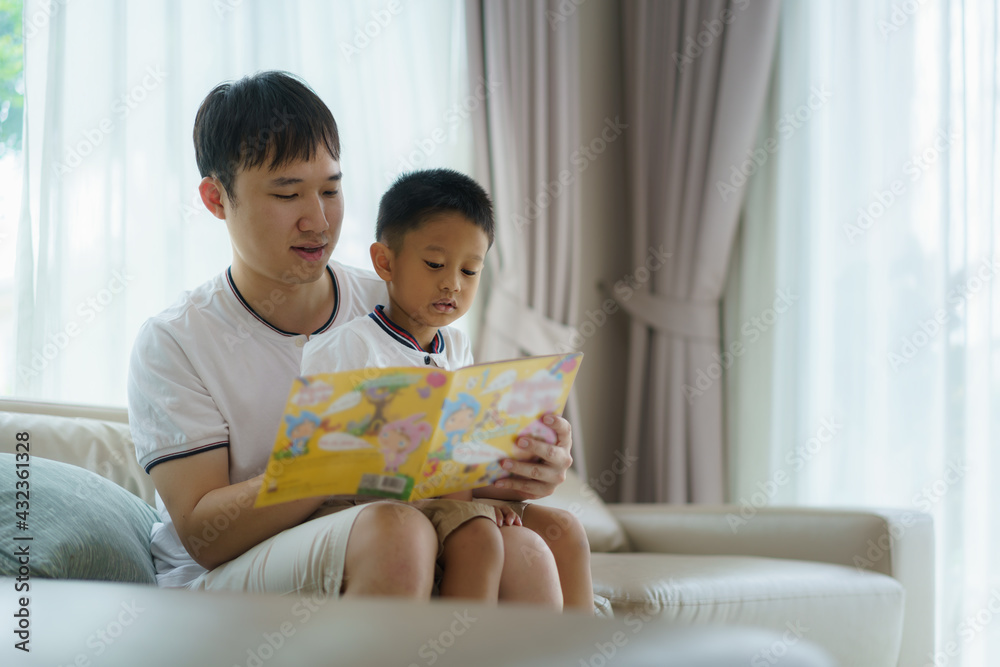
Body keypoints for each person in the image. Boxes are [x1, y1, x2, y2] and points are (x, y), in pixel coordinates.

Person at [126, 71, 577, 606]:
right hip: (219, 579)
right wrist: (336, 457)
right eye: (287, 192)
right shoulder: (174, 340)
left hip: (386, 523)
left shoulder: (402, 297)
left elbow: (447, 470)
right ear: (216, 198)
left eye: (331, 189)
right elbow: (204, 535)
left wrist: (519, 466)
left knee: (547, 538)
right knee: (396, 531)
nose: (317, 220)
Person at [300, 169, 594, 610]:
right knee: (479, 534)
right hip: (367, 507)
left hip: (445, 494)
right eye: (435, 265)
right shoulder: (353, 345)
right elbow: (334, 458)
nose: (453, 283)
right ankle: (452, 649)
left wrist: (514, 457)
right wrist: (471, 503)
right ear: (385, 262)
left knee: (567, 530)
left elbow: (462, 448)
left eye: (470, 270)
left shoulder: (456, 344)